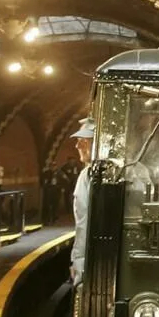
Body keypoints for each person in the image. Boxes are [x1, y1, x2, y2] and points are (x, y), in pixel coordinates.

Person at [69, 118, 94, 284]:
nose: (77, 146)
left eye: (83, 141)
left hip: (92, 260)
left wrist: (78, 262)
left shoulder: (87, 175)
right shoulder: (139, 170)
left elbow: (83, 223)